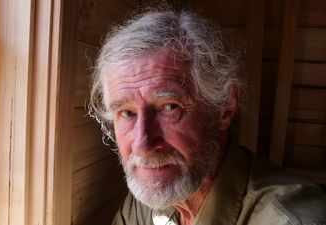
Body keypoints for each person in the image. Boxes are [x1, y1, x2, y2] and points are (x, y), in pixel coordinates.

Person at [88, 9, 326, 225]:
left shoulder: (290, 219)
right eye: (127, 113)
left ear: (225, 107)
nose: (143, 145)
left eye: (170, 107)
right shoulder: (151, 191)